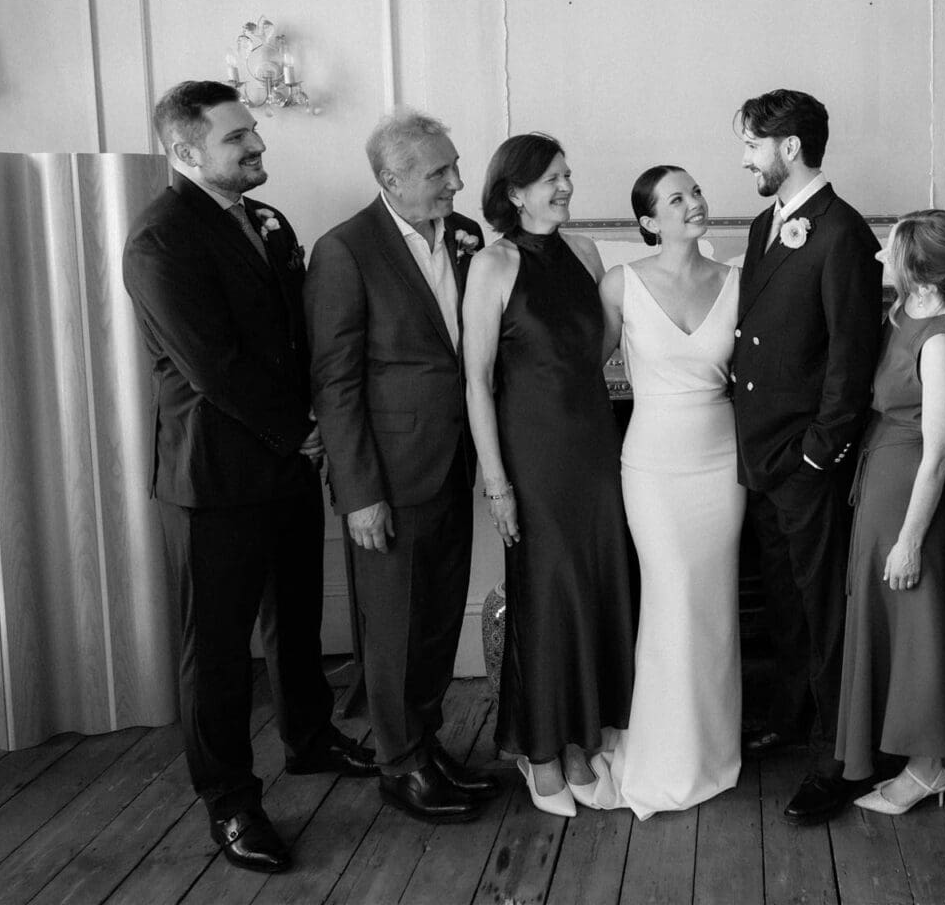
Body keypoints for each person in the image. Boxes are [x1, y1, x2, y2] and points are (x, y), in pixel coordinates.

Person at [121, 80, 376, 874]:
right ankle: (230, 800)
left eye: (254, 132)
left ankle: (308, 737)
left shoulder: (268, 221)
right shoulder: (160, 239)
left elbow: (296, 339)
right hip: (214, 481)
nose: (258, 146)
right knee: (219, 651)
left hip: (288, 468)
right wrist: (305, 432)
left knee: (296, 619)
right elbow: (213, 366)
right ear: (187, 150)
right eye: (239, 139)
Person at [305, 108, 498, 824]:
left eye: (454, 165)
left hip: (453, 460)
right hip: (388, 473)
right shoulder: (345, 251)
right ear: (391, 178)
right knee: (393, 628)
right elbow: (336, 382)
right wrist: (359, 494)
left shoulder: (465, 236)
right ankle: (400, 766)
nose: (456, 181)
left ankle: (424, 744)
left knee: (439, 618)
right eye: (438, 171)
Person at [462, 132, 636, 817]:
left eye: (568, 175)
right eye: (550, 180)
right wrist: (496, 482)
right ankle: (540, 757)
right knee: (544, 598)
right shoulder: (492, 264)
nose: (565, 187)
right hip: (532, 456)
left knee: (592, 590)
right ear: (513, 192)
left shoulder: (587, 252)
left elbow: (599, 348)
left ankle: (581, 746)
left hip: (594, 444)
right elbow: (476, 381)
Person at [732, 88, 884, 825]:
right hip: (762, 455)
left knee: (825, 608)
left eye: (753, 145)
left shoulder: (843, 233)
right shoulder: (769, 224)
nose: (746, 160)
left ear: (789, 148)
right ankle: (791, 716)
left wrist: (821, 456)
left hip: (806, 460)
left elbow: (851, 360)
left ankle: (840, 757)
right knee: (786, 601)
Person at [585, 165, 743, 819]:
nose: (694, 203)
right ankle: (661, 756)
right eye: (676, 199)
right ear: (648, 221)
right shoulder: (620, 285)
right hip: (651, 463)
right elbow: (578, 371)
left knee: (712, 605)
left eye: (696, 192)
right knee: (670, 595)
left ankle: (713, 752)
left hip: (722, 460)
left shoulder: (739, 280)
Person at [836, 210, 945, 815]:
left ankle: (928, 770)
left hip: (909, 496)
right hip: (879, 483)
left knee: (918, 627)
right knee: (897, 626)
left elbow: (940, 455)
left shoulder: (942, 342)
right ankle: (939, 757)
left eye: (893, 252)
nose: (882, 260)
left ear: (922, 274)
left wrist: (909, 540)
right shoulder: (904, 313)